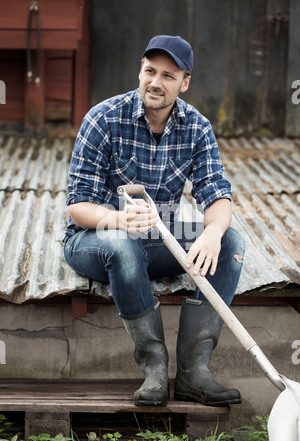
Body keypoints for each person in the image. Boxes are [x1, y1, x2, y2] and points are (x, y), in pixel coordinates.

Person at [64, 35, 245, 407]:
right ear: (140, 70)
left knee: (232, 242)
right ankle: (154, 367)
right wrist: (117, 218)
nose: (155, 82)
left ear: (185, 82)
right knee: (121, 243)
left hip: (157, 235)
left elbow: (217, 192)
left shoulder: (197, 127)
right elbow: (78, 206)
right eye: (150, 71)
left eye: (168, 75)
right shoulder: (103, 119)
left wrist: (212, 231)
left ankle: (194, 373)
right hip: (94, 236)